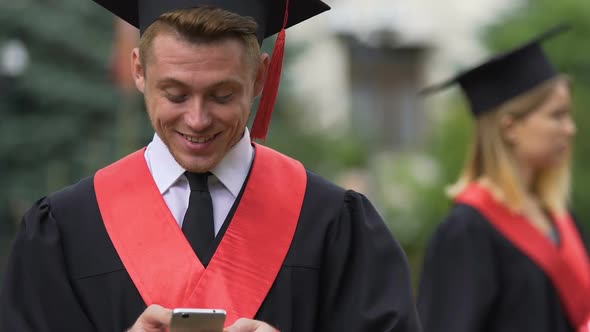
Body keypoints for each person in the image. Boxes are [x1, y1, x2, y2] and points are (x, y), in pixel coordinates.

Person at [0, 0, 422, 331]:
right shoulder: (67, 228)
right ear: (139, 71)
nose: (198, 120)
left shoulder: (332, 223)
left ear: (259, 77)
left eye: (222, 95)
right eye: (176, 94)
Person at [418, 24, 590, 332]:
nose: (570, 129)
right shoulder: (466, 233)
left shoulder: (558, 217)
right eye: (556, 115)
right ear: (509, 127)